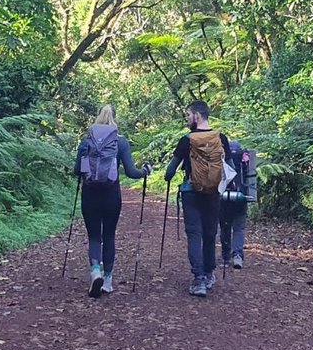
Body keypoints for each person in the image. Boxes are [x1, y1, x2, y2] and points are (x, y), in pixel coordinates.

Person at [76, 105, 150, 298]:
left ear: (97, 118)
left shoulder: (86, 142)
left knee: (94, 236)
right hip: (111, 196)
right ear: (114, 120)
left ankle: (95, 272)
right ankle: (107, 280)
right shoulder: (121, 143)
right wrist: (145, 171)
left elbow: (78, 170)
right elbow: (132, 172)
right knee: (109, 236)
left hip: (89, 194)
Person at [164, 100, 229, 297]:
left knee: (194, 234)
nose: (187, 119)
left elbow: (169, 171)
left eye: (188, 115)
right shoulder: (221, 138)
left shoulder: (187, 140)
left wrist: (168, 177)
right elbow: (230, 168)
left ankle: (198, 279)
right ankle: (209, 274)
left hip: (191, 192)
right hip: (214, 193)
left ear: (197, 116)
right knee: (210, 234)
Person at [218, 138, 249, 270]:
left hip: (223, 198)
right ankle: (237, 256)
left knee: (225, 226)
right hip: (241, 197)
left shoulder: (220, 158)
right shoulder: (245, 160)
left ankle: (225, 257)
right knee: (239, 228)